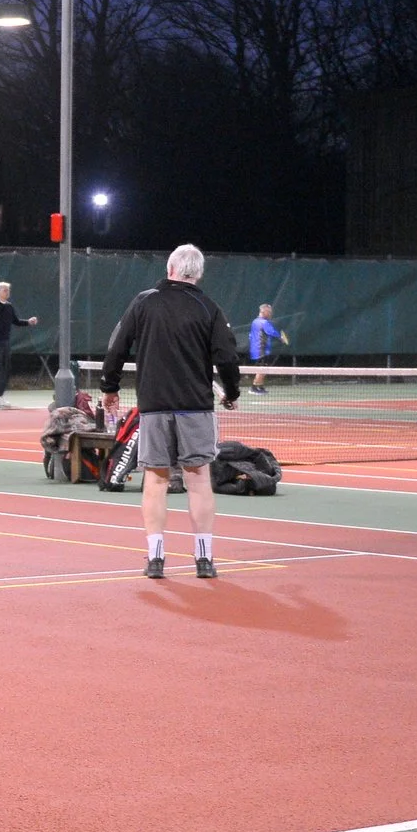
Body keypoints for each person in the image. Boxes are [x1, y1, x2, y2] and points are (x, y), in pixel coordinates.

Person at [100, 244, 241, 581]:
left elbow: (117, 346)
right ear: (199, 273)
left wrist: (110, 387)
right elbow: (227, 356)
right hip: (195, 408)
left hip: (154, 407)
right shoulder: (208, 307)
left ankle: (155, 558)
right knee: (198, 480)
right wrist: (232, 392)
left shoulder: (144, 301)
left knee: (156, 480)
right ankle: (204, 560)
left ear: (170, 268)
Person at [247, 304, 286, 393]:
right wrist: (280, 337)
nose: (270, 314)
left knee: (263, 368)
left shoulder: (255, 321)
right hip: (261, 350)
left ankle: (259, 386)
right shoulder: (264, 322)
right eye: (269, 312)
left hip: (256, 349)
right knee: (262, 368)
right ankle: (254, 388)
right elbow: (271, 331)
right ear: (263, 312)